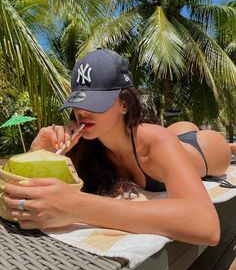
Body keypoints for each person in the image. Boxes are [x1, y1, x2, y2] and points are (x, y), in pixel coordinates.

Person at [2, 49, 234, 247]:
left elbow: (206, 226)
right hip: (164, 140)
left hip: (203, 149)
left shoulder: (157, 142)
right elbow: (19, 198)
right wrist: (37, 153)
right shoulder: (81, 145)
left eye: (96, 102)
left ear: (125, 104)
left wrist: (77, 207)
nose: (83, 112)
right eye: (79, 102)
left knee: (219, 148)